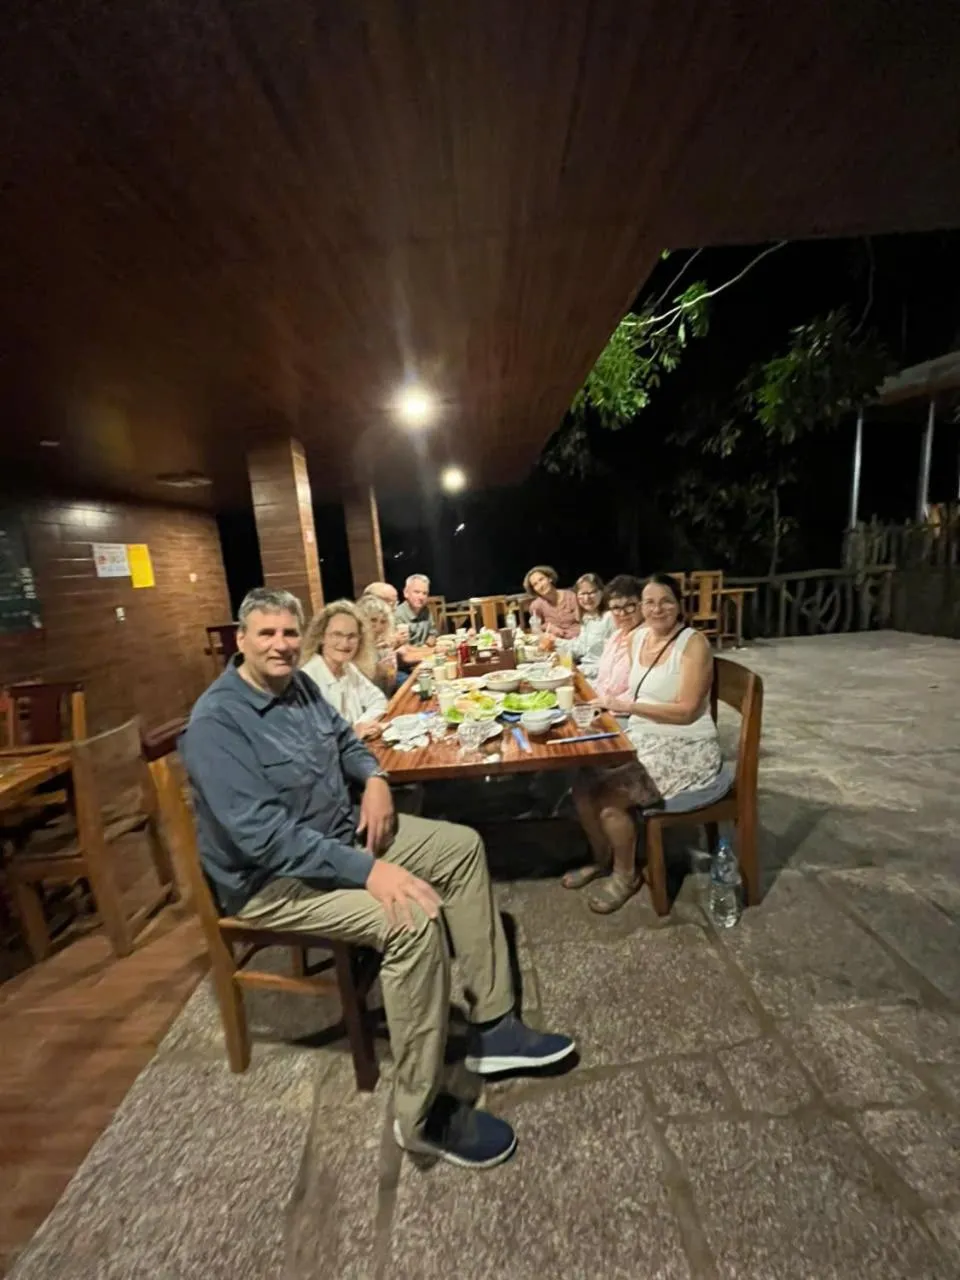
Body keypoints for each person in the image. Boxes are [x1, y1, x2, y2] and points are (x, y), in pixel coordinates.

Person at [180, 587, 575, 1170]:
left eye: (290, 633)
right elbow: (264, 838)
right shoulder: (217, 723)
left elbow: (347, 743)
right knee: (411, 918)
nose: (281, 645)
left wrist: (375, 780)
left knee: (461, 846)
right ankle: (419, 1117)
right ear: (240, 640)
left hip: (337, 836)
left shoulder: (301, 686)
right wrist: (369, 872)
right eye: (266, 634)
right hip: (271, 881)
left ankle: (495, 1026)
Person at [570, 574, 723, 913]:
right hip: (645, 736)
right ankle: (602, 858)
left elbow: (686, 711)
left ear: (680, 604)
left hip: (687, 747)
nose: (657, 609)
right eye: (650, 602)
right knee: (581, 782)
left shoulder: (693, 643)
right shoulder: (639, 639)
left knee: (609, 799)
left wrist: (626, 706)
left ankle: (626, 876)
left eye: (666, 600)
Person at [300, 599, 388, 740]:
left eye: (351, 636)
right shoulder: (307, 680)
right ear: (322, 637)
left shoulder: (348, 668)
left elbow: (378, 699)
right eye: (337, 635)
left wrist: (361, 724)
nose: (345, 643)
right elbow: (314, 740)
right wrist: (353, 732)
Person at [539, 573, 613, 678]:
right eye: (582, 594)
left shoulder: (610, 618)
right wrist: (555, 641)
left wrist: (580, 671)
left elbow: (612, 662)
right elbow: (581, 647)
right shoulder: (587, 617)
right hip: (583, 670)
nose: (586, 598)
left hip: (597, 676)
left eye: (591, 592)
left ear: (601, 592)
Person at [591, 573, 645, 707]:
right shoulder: (616, 636)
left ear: (642, 606)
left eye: (629, 606)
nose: (622, 614)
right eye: (616, 608)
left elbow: (641, 693)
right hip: (602, 706)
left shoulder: (647, 639)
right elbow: (603, 681)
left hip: (628, 714)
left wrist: (607, 706)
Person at [357, 593, 400, 696]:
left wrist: (391, 672)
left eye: (383, 621)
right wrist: (377, 673)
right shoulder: (354, 647)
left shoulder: (383, 647)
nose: (378, 627)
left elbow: (389, 687)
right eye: (373, 620)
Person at [394, 573, 438, 669]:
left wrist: (431, 640)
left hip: (425, 659)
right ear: (406, 593)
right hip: (408, 666)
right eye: (416, 592)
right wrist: (433, 650)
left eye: (424, 593)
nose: (421, 597)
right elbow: (405, 650)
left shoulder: (425, 611)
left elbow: (433, 633)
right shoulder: (398, 615)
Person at [523, 565, 580, 639]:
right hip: (555, 643)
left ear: (550, 578)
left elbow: (583, 620)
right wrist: (549, 628)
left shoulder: (570, 596)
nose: (540, 585)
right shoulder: (536, 606)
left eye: (541, 579)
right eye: (535, 584)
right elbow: (536, 628)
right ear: (534, 590)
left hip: (578, 638)